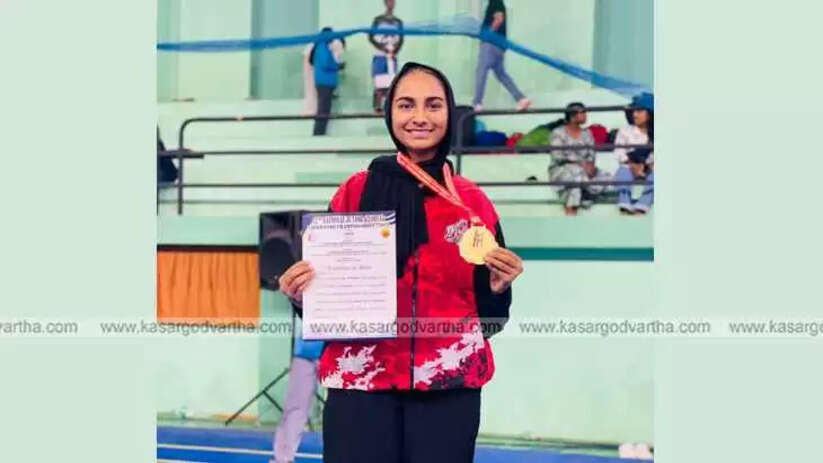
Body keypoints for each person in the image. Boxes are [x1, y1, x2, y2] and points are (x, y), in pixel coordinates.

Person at [277, 62, 524, 463]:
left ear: (450, 113)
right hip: (361, 383)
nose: (420, 117)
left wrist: (498, 290)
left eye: (434, 105)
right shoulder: (354, 192)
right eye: (407, 105)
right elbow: (326, 299)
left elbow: (492, 321)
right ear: (390, 113)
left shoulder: (472, 203)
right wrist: (301, 296)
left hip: (449, 386)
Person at [269, 332, 324, 463]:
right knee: (295, 408)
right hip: (307, 350)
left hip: (342, 350)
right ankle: (282, 459)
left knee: (345, 410)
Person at [472, 0, 531, 113]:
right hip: (499, 46)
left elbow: (498, 19)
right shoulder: (498, 2)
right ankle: (520, 98)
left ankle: (477, 103)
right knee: (501, 74)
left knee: (481, 71)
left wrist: (488, 36)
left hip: (491, 44)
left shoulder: (495, 2)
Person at [548, 102, 601, 215]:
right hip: (561, 169)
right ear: (572, 116)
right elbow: (557, 156)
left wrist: (590, 165)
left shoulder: (587, 133)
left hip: (583, 170)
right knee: (575, 176)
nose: (586, 115)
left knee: (606, 178)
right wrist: (580, 163)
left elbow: (591, 154)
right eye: (583, 112)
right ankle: (571, 212)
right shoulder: (558, 132)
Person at [613, 92, 654, 214]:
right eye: (634, 111)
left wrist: (646, 166)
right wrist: (632, 165)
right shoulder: (625, 131)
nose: (635, 114)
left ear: (649, 114)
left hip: (649, 168)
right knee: (623, 171)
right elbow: (618, 152)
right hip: (629, 166)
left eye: (639, 111)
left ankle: (643, 205)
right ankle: (624, 203)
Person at [369, 0, 403, 113]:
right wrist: (381, 47)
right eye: (389, 2)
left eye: (393, 2)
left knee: (392, 82)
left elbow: (401, 39)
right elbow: (371, 37)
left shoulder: (398, 21)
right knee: (379, 83)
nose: (391, 4)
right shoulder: (378, 20)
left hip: (392, 57)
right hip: (379, 56)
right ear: (385, 3)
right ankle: (377, 108)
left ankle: (389, 107)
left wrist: (395, 51)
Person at [310, 28, 345, 136]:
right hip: (325, 83)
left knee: (324, 109)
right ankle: (318, 134)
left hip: (324, 82)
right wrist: (337, 66)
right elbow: (326, 63)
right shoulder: (322, 46)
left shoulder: (320, 46)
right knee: (323, 110)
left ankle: (319, 133)